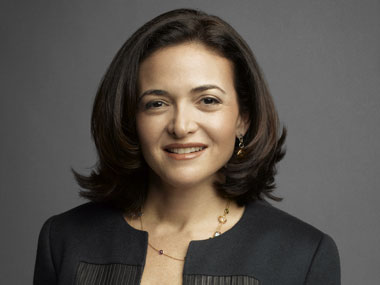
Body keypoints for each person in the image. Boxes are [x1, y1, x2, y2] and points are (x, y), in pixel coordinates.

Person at [33, 8, 340, 285]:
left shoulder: (304, 256)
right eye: (156, 103)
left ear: (242, 119)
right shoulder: (64, 239)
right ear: (131, 118)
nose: (181, 126)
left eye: (208, 100)